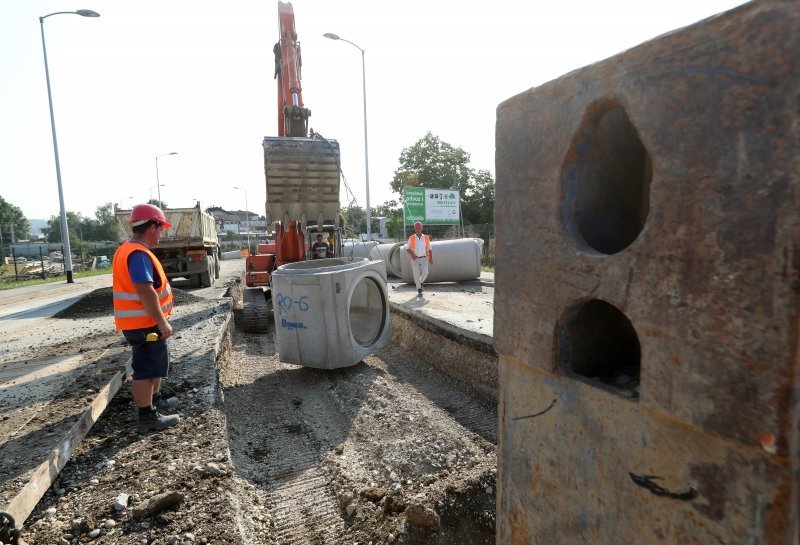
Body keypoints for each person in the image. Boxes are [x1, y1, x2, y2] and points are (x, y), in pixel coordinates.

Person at [111, 203, 180, 433]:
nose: (162, 234)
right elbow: (145, 290)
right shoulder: (138, 254)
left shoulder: (128, 249)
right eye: (161, 229)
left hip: (142, 323)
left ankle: (155, 401)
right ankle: (147, 417)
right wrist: (161, 321)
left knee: (155, 365)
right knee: (145, 369)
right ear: (152, 227)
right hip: (144, 324)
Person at [407, 221, 433, 296]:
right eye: (416, 227)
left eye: (419, 227)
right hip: (414, 259)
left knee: (425, 273)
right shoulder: (411, 238)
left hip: (424, 258)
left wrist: (431, 258)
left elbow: (430, 248)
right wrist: (412, 255)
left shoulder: (426, 238)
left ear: (421, 228)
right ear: (414, 228)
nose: (417, 229)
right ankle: (419, 289)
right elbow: (408, 248)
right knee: (416, 274)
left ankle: (420, 282)